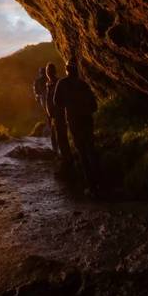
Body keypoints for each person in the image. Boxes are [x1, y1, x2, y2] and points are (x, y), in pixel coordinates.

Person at [52, 59, 101, 196]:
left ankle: (91, 187)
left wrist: (69, 106)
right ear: (77, 70)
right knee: (91, 149)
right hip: (87, 120)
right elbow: (94, 106)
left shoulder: (62, 83)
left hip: (74, 121)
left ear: (67, 69)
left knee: (82, 152)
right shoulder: (84, 84)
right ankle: (99, 183)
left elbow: (57, 102)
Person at [44, 63, 72, 167]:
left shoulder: (58, 83)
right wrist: (49, 114)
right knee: (55, 137)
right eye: (47, 71)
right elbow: (48, 101)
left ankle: (67, 161)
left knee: (62, 138)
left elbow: (61, 100)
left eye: (50, 71)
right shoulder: (49, 84)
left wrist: (60, 113)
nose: (48, 73)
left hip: (59, 115)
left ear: (53, 72)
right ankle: (59, 157)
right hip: (52, 116)